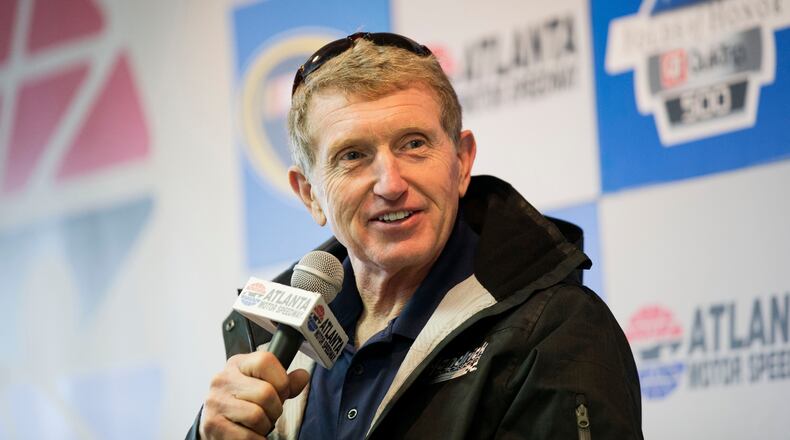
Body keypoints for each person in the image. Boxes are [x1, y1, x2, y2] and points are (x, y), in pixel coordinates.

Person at [188, 32, 643, 439]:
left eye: (414, 144)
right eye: (353, 155)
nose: (390, 184)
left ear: (461, 162)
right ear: (310, 194)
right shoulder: (272, 342)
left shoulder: (556, 329)